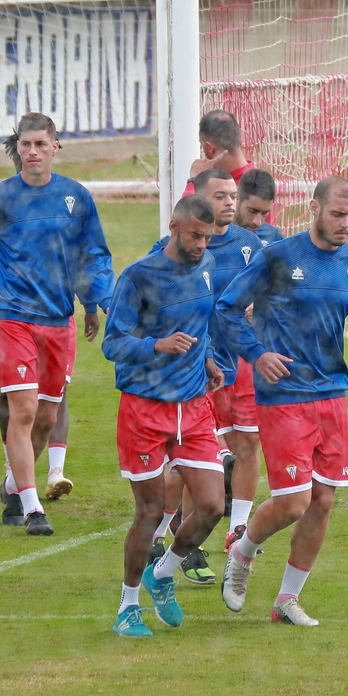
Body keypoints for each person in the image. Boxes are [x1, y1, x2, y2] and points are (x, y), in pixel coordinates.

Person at [217, 176, 348, 627]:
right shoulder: (280, 257)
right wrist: (257, 353)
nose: (346, 223)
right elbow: (227, 307)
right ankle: (243, 550)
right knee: (293, 502)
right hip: (284, 394)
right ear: (314, 209)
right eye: (337, 215)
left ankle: (286, 600)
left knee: (323, 502)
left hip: (331, 394)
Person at [0, 112, 113, 535]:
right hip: (12, 315)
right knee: (24, 409)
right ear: (17, 148)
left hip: (58, 318)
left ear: (56, 147)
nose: (31, 152)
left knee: (47, 419)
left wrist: (95, 303)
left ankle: (15, 487)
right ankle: (34, 508)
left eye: (40, 144)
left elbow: (93, 255)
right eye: (25, 144)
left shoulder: (77, 198)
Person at [103, 194, 228, 637]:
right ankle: (127, 605)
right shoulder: (139, 277)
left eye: (207, 238)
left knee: (213, 505)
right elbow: (112, 344)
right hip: (145, 408)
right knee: (151, 512)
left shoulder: (208, 266)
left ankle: (164, 573)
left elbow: (202, 325)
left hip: (193, 407)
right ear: (174, 227)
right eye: (195, 235)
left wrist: (209, 360)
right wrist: (156, 345)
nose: (201, 245)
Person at [144, 169, 262, 585]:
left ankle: (235, 529)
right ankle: (172, 537)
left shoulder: (252, 245)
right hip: (192, 366)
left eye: (233, 194)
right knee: (190, 463)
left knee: (244, 444)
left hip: (240, 362)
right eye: (220, 195)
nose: (230, 202)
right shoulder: (171, 251)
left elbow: (269, 291)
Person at [186, 109, 255, 187]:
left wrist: (193, 181)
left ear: (210, 148)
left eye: (203, 146)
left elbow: (191, 200)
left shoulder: (241, 189)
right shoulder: (259, 181)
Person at [235, 168, 283, 247]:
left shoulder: (273, 237)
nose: (257, 222)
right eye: (252, 211)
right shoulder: (214, 235)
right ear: (237, 198)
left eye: (265, 213)